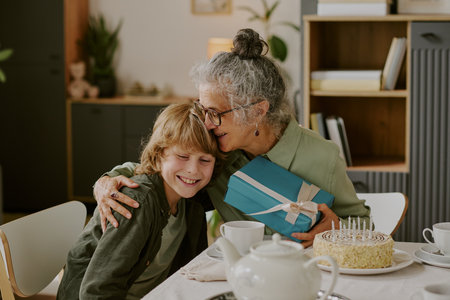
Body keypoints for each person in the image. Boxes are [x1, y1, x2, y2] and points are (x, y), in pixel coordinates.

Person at [93, 28, 371, 248]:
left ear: (258, 111)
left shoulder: (322, 156)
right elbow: (159, 169)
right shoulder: (214, 152)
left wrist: (337, 227)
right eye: (203, 110)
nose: (206, 122)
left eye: (215, 112)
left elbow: (364, 226)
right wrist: (106, 181)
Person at [57, 103, 223, 299]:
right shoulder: (137, 203)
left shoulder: (191, 202)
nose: (193, 170)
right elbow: (97, 292)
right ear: (159, 153)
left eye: (205, 160)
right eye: (182, 156)